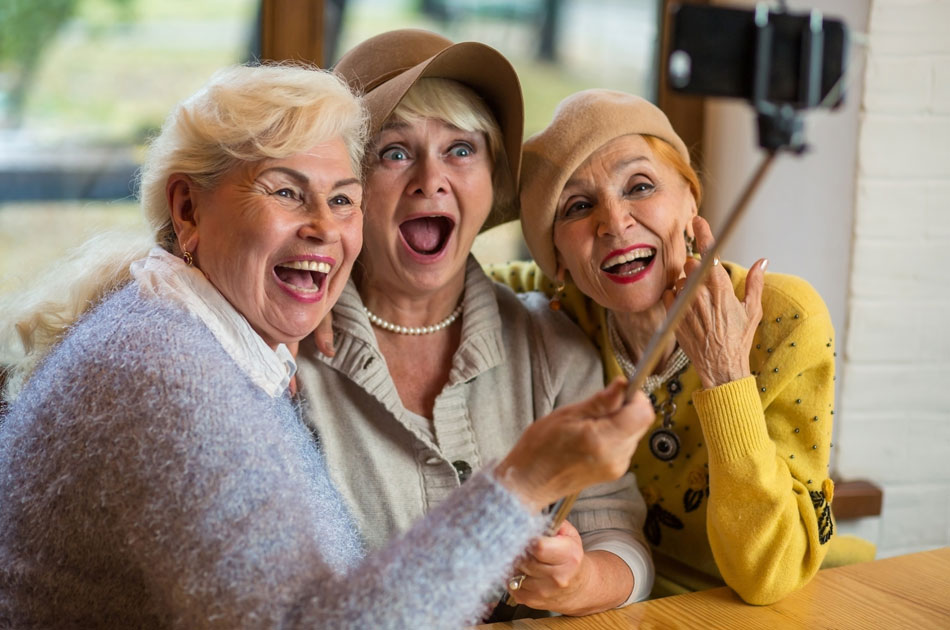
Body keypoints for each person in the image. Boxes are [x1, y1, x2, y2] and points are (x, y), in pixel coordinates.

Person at [0, 66, 656, 629]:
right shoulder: (168, 376)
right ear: (188, 211)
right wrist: (522, 483)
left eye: (340, 199)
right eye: (287, 191)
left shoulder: (218, 347)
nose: (322, 227)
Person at [295, 29, 654, 615]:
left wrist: (582, 581)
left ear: (492, 183)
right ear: (347, 191)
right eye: (394, 151)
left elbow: (621, 540)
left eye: (461, 149)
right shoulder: (287, 356)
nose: (430, 180)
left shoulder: (552, 348)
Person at [490, 89, 838, 605]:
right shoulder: (557, 308)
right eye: (579, 206)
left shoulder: (785, 321)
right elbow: (432, 286)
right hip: (619, 608)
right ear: (556, 258)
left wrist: (726, 376)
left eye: (640, 185)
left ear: (690, 199)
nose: (614, 221)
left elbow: (770, 577)